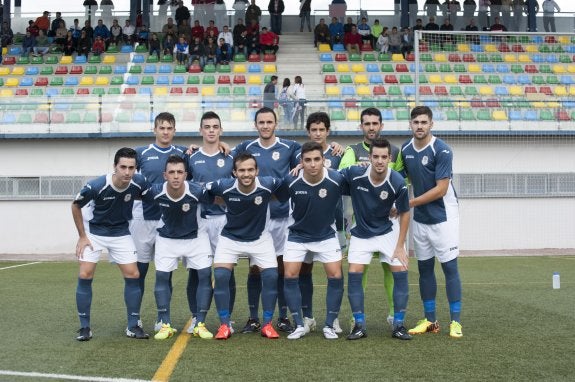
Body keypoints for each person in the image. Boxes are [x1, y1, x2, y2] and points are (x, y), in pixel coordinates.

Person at [232, 107, 301, 335]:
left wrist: (333, 148)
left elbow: (310, 157)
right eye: (261, 122)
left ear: (275, 123)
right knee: (255, 269)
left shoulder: (289, 147)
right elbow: (227, 159)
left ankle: (281, 317)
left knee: (280, 269)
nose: (265, 126)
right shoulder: (246, 148)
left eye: (269, 122)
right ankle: (253, 318)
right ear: (256, 125)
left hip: (281, 217)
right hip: (256, 218)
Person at [72, 147, 150, 341]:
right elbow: (75, 206)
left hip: (121, 232)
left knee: (133, 274)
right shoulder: (97, 186)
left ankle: (133, 326)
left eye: (131, 168)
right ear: (115, 166)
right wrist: (82, 236)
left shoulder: (138, 183)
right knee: (85, 273)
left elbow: (146, 196)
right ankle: (84, 327)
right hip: (94, 232)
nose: (127, 172)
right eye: (123, 167)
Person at [399, 106, 463, 339]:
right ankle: (430, 320)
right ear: (410, 124)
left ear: (431, 124)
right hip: (421, 219)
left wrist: (410, 203)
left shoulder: (441, 149)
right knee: (425, 268)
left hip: (444, 216)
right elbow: (398, 176)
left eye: (423, 122)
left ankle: (455, 321)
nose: (419, 126)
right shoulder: (405, 149)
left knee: (449, 267)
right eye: (415, 122)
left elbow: (441, 188)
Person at [208, 152, 286, 340]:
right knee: (220, 275)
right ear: (234, 172)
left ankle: (267, 324)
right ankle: (225, 325)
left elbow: (285, 189)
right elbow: (205, 194)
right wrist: (222, 200)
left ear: (257, 171)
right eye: (241, 170)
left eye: (250, 169)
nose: (246, 174)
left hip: (260, 238)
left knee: (270, 276)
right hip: (230, 238)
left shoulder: (267, 184)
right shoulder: (224, 186)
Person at [338, 107, 404, 329]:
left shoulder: (395, 151)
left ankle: (395, 315)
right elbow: (342, 175)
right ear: (361, 126)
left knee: (391, 268)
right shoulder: (352, 150)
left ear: (381, 126)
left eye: (375, 123)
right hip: (361, 221)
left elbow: (403, 181)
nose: (371, 127)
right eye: (367, 124)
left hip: (389, 221)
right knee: (359, 269)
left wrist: (397, 205)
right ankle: (357, 318)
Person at [143, 155, 215, 340]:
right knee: (161, 276)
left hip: (196, 238)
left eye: (180, 172)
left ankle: (200, 323)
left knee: (205, 275)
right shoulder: (155, 191)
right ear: (164, 175)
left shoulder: (197, 191)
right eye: (172, 172)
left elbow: (219, 200)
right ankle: (165, 324)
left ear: (186, 175)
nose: (176, 176)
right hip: (167, 239)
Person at [280, 141, 345, 340]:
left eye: (317, 159)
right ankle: (299, 324)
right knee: (290, 276)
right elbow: (275, 196)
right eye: (308, 160)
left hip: (326, 234)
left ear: (324, 161)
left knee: (335, 276)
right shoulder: (291, 181)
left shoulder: (336, 179)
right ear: (301, 162)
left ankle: (329, 325)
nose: (313, 164)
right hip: (298, 235)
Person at [130, 113, 188, 308]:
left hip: (170, 219)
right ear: (154, 130)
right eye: (161, 128)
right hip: (144, 219)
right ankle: (135, 319)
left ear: (174, 130)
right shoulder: (141, 153)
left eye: (169, 128)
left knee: (165, 272)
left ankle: (163, 318)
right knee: (139, 271)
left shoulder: (183, 152)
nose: (165, 132)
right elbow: (124, 174)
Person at [186, 111, 235, 335]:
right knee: (198, 271)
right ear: (201, 131)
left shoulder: (231, 157)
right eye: (207, 126)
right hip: (199, 220)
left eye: (215, 126)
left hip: (226, 219)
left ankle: (228, 318)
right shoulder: (191, 157)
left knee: (227, 272)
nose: (211, 130)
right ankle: (197, 317)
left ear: (221, 130)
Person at [294, 112, 343, 334]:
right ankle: (308, 317)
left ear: (328, 131)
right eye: (313, 130)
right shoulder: (299, 154)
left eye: (321, 129)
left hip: (332, 223)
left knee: (335, 272)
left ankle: (333, 319)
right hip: (303, 224)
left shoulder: (339, 153)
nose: (317, 133)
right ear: (308, 132)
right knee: (304, 271)